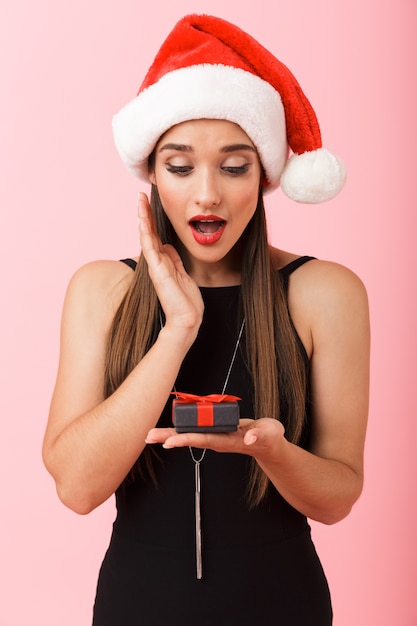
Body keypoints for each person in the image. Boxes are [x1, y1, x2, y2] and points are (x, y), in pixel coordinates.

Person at [42, 14, 370, 626]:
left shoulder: (325, 293)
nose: (208, 194)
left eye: (235, 166)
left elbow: (338, 498)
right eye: (181, 166)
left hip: (283, 605)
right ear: (151, 176)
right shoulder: (101, 290)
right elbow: (78, 489)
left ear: (266, 176)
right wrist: (177, 331)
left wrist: (269, 451)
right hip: (136, 606)